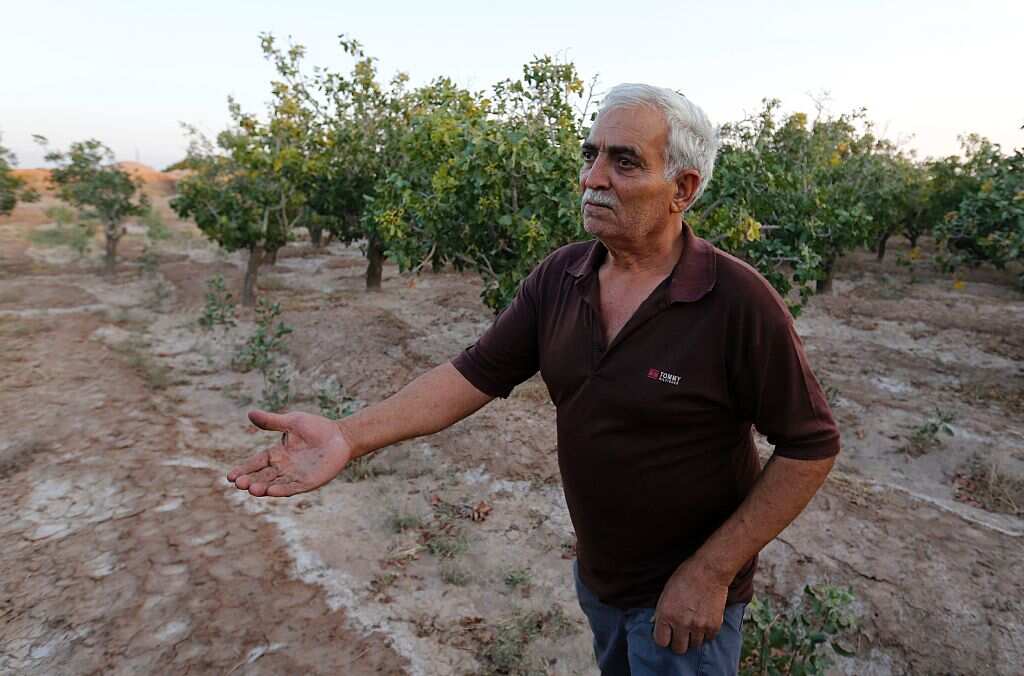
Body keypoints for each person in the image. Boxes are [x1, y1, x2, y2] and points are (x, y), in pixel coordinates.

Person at [226, 83, 841, 676]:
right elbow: (474, 373)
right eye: (591, 155)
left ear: (682, 188)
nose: (593, 178)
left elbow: (810, 445)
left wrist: (711, 572)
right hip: (600, 582)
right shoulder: (562, 277)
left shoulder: (736, 302)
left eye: (623, 162)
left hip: (684, 604)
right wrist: (348, 436)